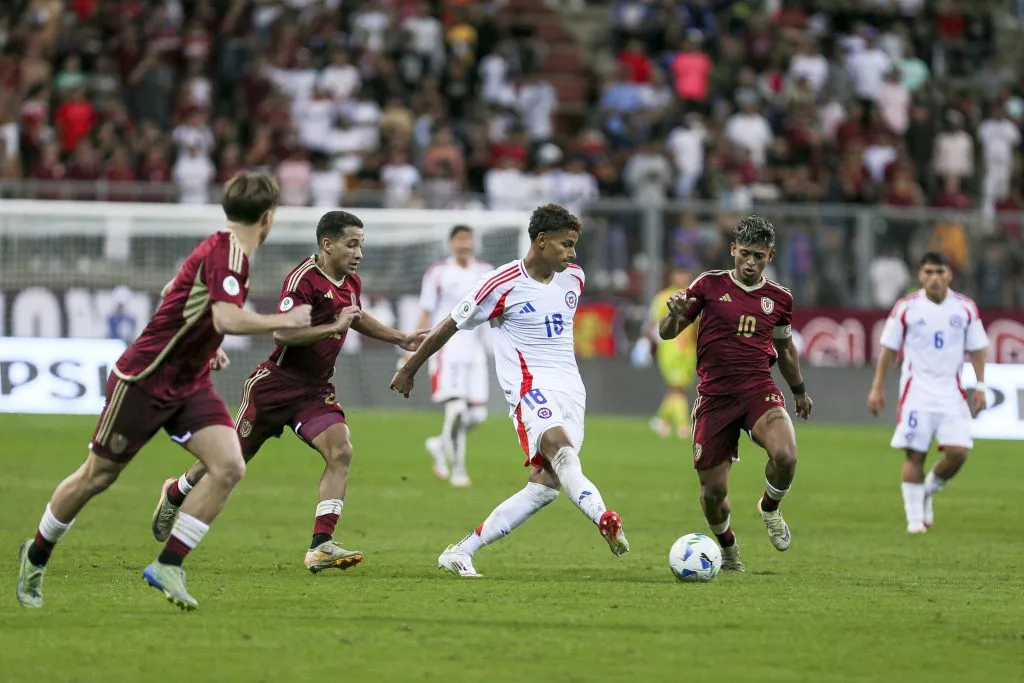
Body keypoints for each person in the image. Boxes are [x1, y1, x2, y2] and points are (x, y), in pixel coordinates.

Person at [16, 173, 313, 611]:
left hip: (188, 382)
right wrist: (284, 320)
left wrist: (204, 347)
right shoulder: (227, 253)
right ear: (268, 219)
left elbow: (172, 293)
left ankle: (169, 564)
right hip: (144, 379)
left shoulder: (219, 248)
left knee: (229, 465)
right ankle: (36, 555)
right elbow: (228, 319)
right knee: (97, 476)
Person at [150, 210, 427, 572]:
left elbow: (355, 316)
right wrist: (332, 326)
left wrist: (400, 337)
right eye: (352, 244)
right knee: (226, 463)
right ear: (328, 245)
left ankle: (321, 545)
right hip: (273, 386)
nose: (359, 253)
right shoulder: (303, 280)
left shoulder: (350, 281)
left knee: (341, 451)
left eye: (362, 245)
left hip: (315, 391)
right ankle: (175, 492)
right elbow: (283, 334)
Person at [390, 203, 629, 577]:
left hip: (572, 392)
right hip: (530, 391)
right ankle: (604, 517)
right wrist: (410, 368)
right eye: (566, 244)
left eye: (574, 245)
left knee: (545, 487)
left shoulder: (574, 278)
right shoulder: (501, 283)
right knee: (563, 454)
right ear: (541, 241)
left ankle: (460, 551)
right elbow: (451, 323)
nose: (573, 253)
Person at [658, 215, 813, 572]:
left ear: (769, 256)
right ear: (733, 250)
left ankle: (770, 507)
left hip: (758, 389)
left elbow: (785, 349)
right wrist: (673, 317)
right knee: (713, 495)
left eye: (759, 256)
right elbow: (668, 332)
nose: (750, 262)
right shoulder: (708, 286)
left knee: (786, 455)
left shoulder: (780, 298)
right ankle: (727, 548)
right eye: (744, 253)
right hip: (714, 397)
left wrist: (799, 391)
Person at [867, 251, 988, 534]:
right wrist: (877, 387)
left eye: (940, 272)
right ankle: (914, 521)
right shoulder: (906, 308)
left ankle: (927, 490)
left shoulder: (965, 308)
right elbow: (889, 350)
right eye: (928, 272)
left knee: (959, 452)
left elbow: (978, 348)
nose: (934, 278)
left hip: (951, 393)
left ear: (950, 275)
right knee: (915, 456)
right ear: (920, 276)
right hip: (916, 394)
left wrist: (980, 385)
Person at [414, 225, 493, 486]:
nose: (465, 243)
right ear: (451, 244)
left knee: (478, 415)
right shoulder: (438, 273)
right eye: (460, 239)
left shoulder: (485, 271)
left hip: (476, 349)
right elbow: (426, 309)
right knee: (457, 408)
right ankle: (458, 469)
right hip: (447, 348)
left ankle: (439, 444)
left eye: (469, 238)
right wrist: (414, 346)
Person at [646, 265, 698, 438]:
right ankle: (683, 425)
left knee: (679, 388)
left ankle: (662, 420)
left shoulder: (694, 297)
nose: (682, 277)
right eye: (679, 273)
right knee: (677, 388)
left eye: (684, 273)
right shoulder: (663, 298)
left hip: (688, 349)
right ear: (672, 275)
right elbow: (654, 322)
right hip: (670, 348)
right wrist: (647, 343)